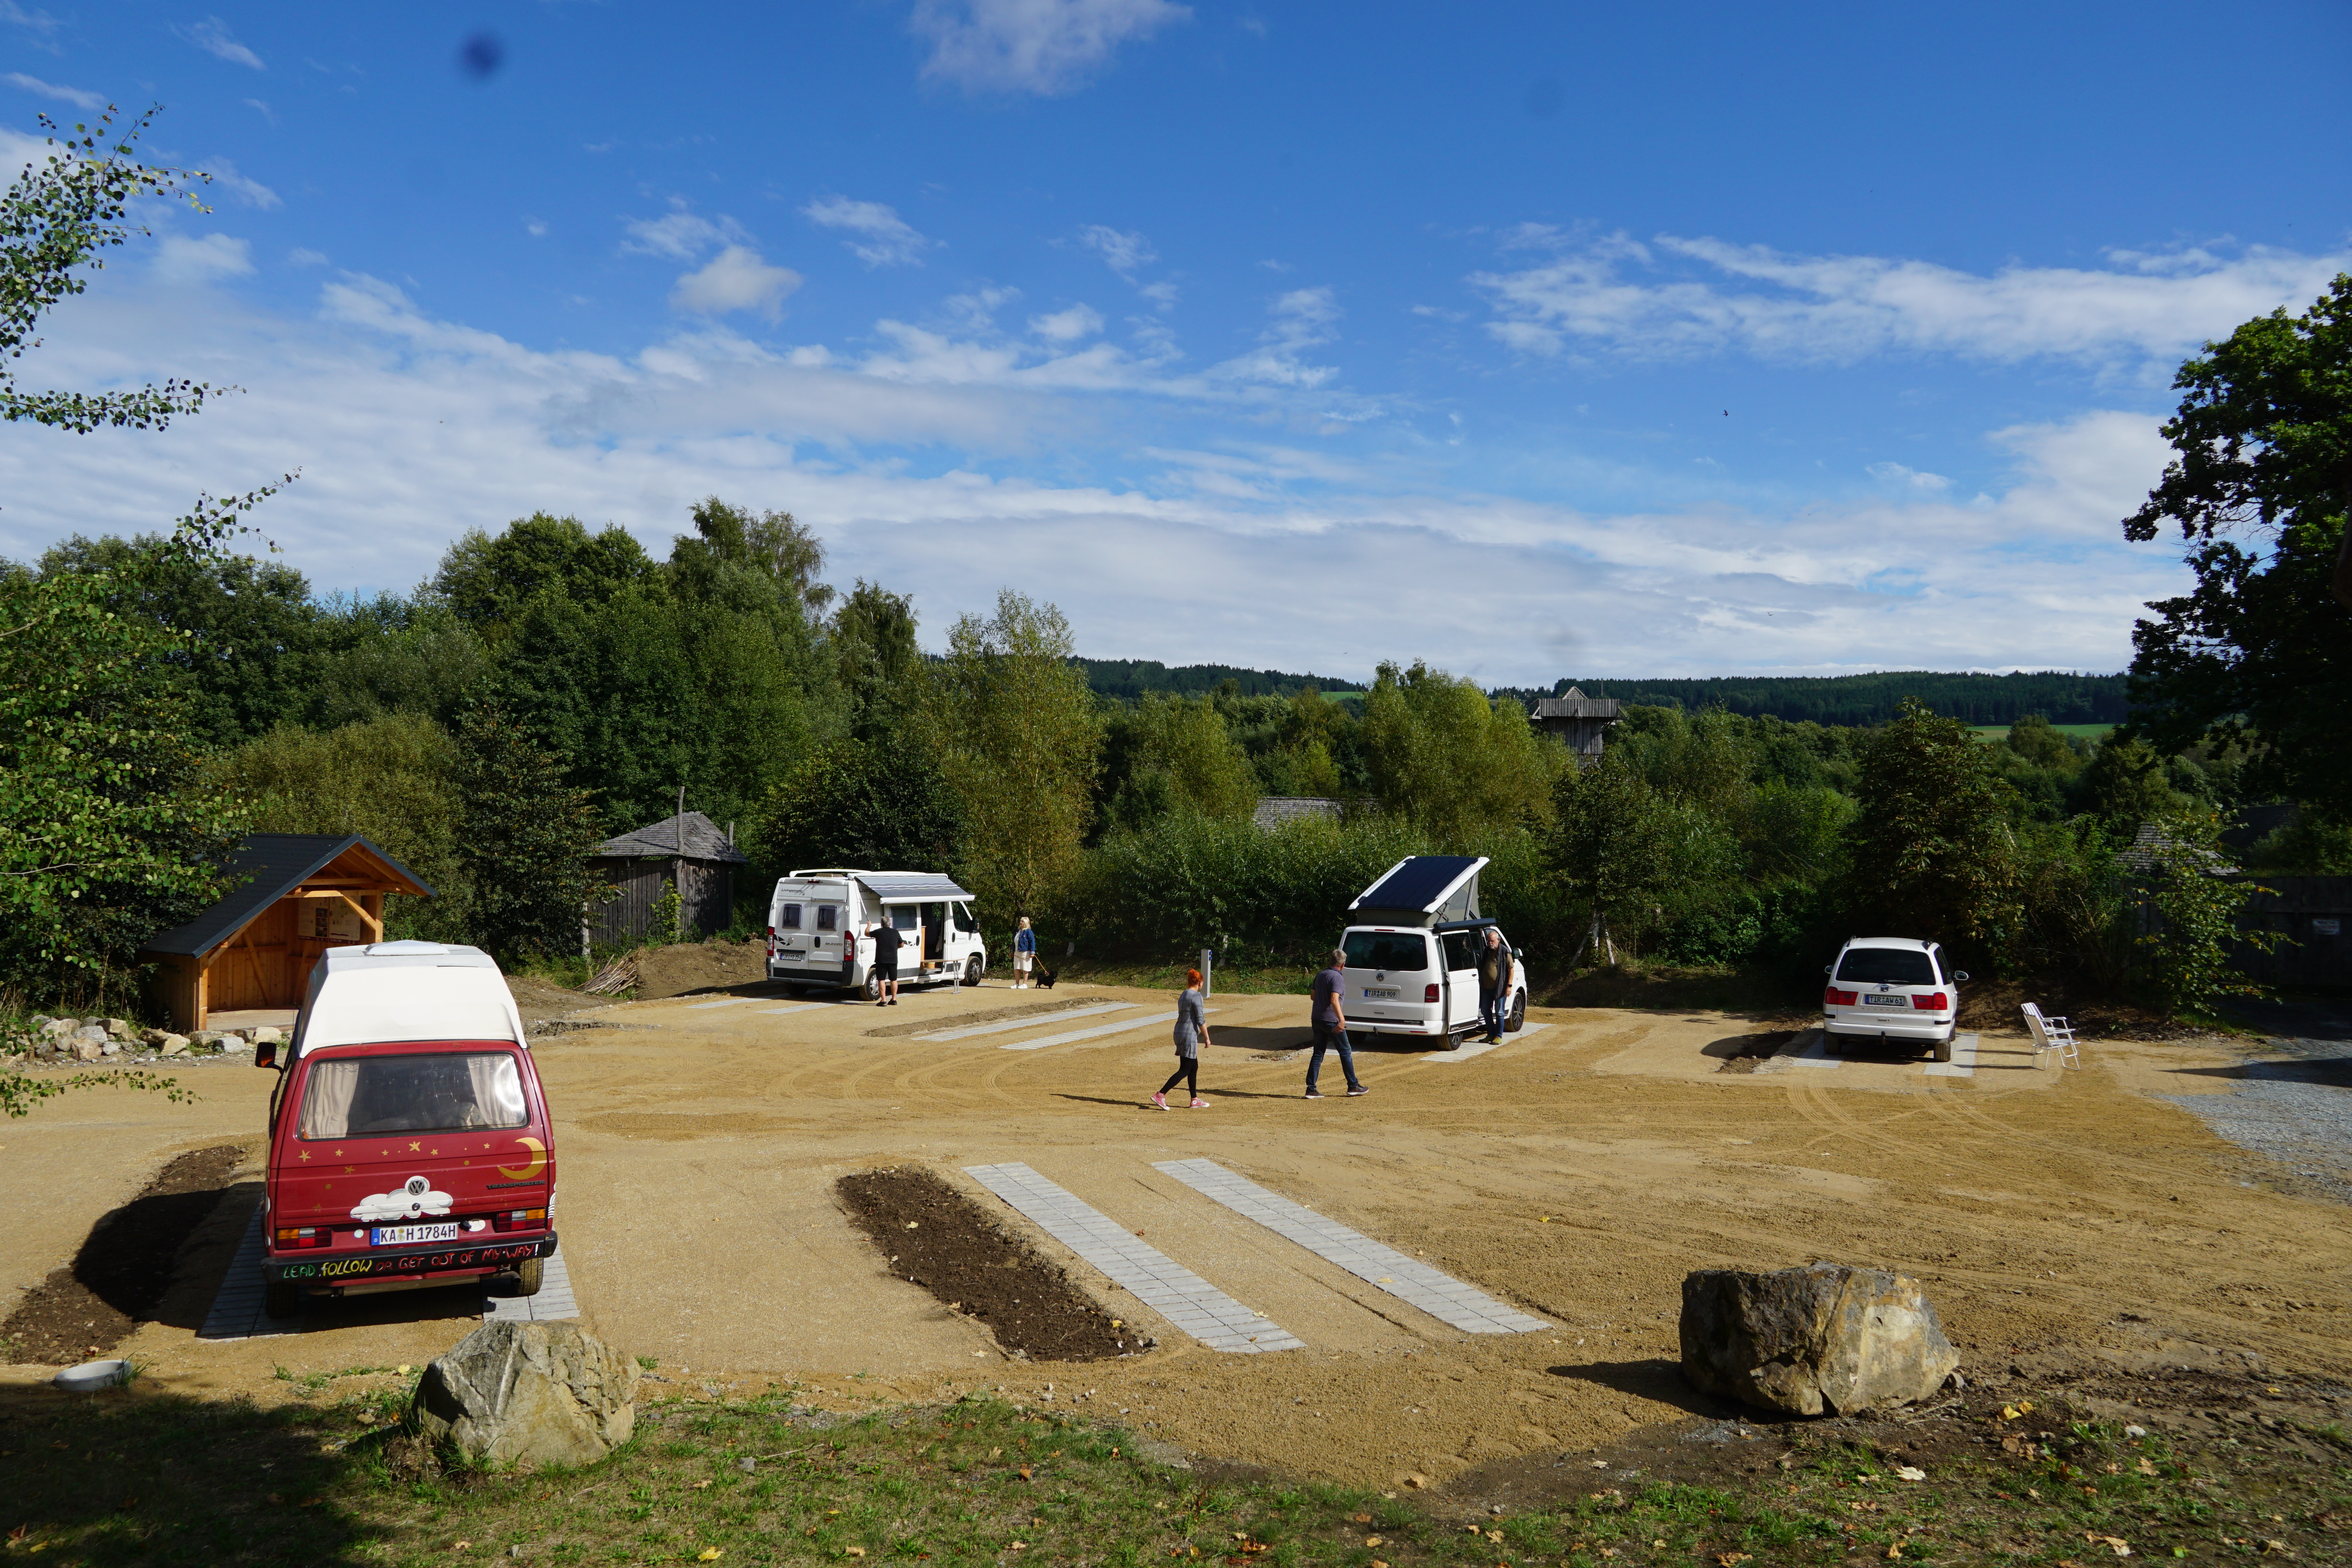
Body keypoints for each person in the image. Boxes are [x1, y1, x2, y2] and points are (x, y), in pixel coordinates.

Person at [1305, 945, 1367, 1098]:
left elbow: (1313, 996)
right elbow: (1334, 999)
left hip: (1317, 1019)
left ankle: (1311, 1089)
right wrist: (1341, 1019)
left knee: (1318, 1054)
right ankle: (1353, 1086)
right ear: (1343, 964)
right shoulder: (1338, 977)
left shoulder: (1321, 975)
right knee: (1345, 1052)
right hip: (1331, 1021)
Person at [1152, 969, 1212, 1109]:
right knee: (1186, 1069)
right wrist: (1207, 1038)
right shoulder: (1196, 996)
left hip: (1179, 1031)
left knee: (1193, 1066)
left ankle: (1195, 1099)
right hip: (1189, 1034)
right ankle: (1160, 1095)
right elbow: (1200, 1019)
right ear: (1200, 982)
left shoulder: (1184, 994)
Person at [1475, 926, 1513, 1043]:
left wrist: (1509, 986)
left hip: (1500, 989)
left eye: (1492, 941)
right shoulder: (1487, 950)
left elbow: (1511, 969)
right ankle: (1490, 1035)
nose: (1490, 943)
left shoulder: (1504, 951)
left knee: (1500, 1013)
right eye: (1489, 941)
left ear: (1498, 940)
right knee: (1486, 1011)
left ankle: (1498, 1037)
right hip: (1486, 989)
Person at [868, 916, 904, 1006]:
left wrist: (869, 925)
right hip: (893, 959)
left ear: (882, 924)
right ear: (890, 924)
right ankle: (894, 999)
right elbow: (902, 944)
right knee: (894, 979)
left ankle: (883, 1000)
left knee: (881, 980)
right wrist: (896, 947)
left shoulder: (879, 932)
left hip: (881, 960)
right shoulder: (895, 932)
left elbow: (867, 934)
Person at [1013, 915, 1036, 989]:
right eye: (1021, 921)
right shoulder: (1017, 931)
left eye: (1022, 921)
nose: (1021, 922)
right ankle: (1017, 983)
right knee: (1017, 968)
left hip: (1026, 952)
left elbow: (1032, 942)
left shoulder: (1029, 932)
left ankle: (1024, 984)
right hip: (1017, 952)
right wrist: (1012, 951)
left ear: (1026, 923)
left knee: (1025, 968)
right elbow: (1014, 942)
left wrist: (1033, 952)